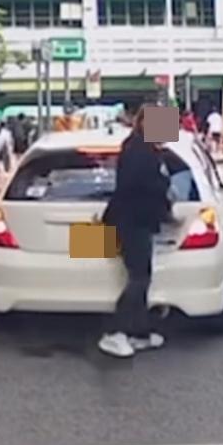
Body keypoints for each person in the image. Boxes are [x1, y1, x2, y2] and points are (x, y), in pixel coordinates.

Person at [98, 106, 173, 358]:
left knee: (142, 277)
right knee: (138, 277)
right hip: (132, 222)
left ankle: (138, 332)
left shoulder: (145, 149)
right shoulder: (139, 151)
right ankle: (115, 332)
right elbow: (136, 187)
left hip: (138, 221)